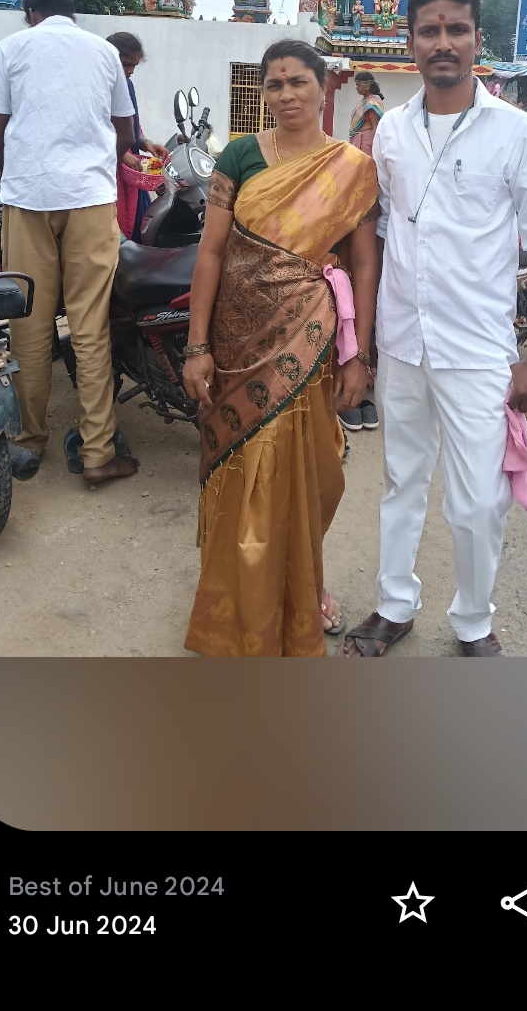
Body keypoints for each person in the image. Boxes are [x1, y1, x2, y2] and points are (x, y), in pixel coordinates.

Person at [343, 0, 527, 659]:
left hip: (477, 349)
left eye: (457, 30)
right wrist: (366, 344)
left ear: (477, 40)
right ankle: (394, 604)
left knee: (477, 502)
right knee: (400, 482)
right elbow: (380, 233)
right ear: (410, 43)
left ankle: (473, 619)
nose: (443, 43)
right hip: (403, 343)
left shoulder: (518, 133)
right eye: (430, 31)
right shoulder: (391, 131)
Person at [181, 40, 380, 657]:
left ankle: (301, 594)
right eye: (274, 84)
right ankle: (237, 602)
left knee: (303, 475)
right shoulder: (239, 155)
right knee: (241, 471)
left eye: (298, 82)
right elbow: (211, 252)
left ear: (325, 87)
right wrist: (195, 346)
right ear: (262, 92)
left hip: (308, 343)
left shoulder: (352, 167)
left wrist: (358, 355)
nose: (286, 94)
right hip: (235, 343)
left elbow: (364, 264)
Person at [0, 0, 139, 484]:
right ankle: (98, 453)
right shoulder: (105, 52)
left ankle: (28, 441)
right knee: (90, 326)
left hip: (28, 200)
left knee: (29, 323)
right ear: (74, 15)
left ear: (31, 13)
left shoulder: (11, 48)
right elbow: (126, 133)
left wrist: (21, 172)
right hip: (90, 199)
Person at [106, 32, 167, 241]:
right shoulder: (98, 87)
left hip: (130, 169)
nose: (131, 71)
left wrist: (144, 142)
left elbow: (131, 123)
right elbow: (92, 128)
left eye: (134, 66)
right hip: (108, 169)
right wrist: (122, 154)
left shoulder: (127, 85)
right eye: (126, 65)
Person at [349, 73, 385, 157]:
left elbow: (376, 127)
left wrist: (368, 146)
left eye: (358, 85)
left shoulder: (372, 103)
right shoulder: (365, 101)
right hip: (359, 138)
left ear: (367, 85)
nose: (356, 88)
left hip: (366, 140)